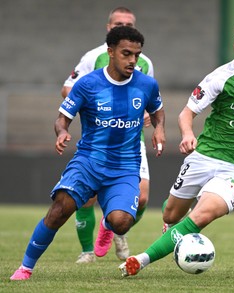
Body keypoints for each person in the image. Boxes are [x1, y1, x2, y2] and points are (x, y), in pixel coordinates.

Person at [118, 19, 234, 277]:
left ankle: (141, 260)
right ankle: (177, 225)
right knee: (171, 215)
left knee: (203, 216)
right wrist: (188, 134)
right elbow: (186, 113)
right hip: (205, 156)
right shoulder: (221, 77)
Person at [10, 25, 165, 281]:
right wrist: (61, 133)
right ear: (111, 51)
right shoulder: (88, 84)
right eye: (126, 53)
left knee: (122, 222)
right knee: (60, 209)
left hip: (125, 166)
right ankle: (26, 267)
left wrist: (159, 128)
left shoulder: (147, 84)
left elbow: (158, 110)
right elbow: (63, 118)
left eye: (136, 55)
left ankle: (107, 223)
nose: (132, 60)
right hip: (89, 161)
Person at [61, 7, 155, 264]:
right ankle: (86, 251)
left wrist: (146, 114)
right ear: (108, 28)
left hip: (131, 140)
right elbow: (68, 87)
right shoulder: (93, 57)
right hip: (99, 140)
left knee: (143, 197)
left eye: (127, 23)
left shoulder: (144, 62)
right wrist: (90, 109)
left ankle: (110, 226)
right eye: (117, 23)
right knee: (87, 196)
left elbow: (148, 97)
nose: (121, 26)